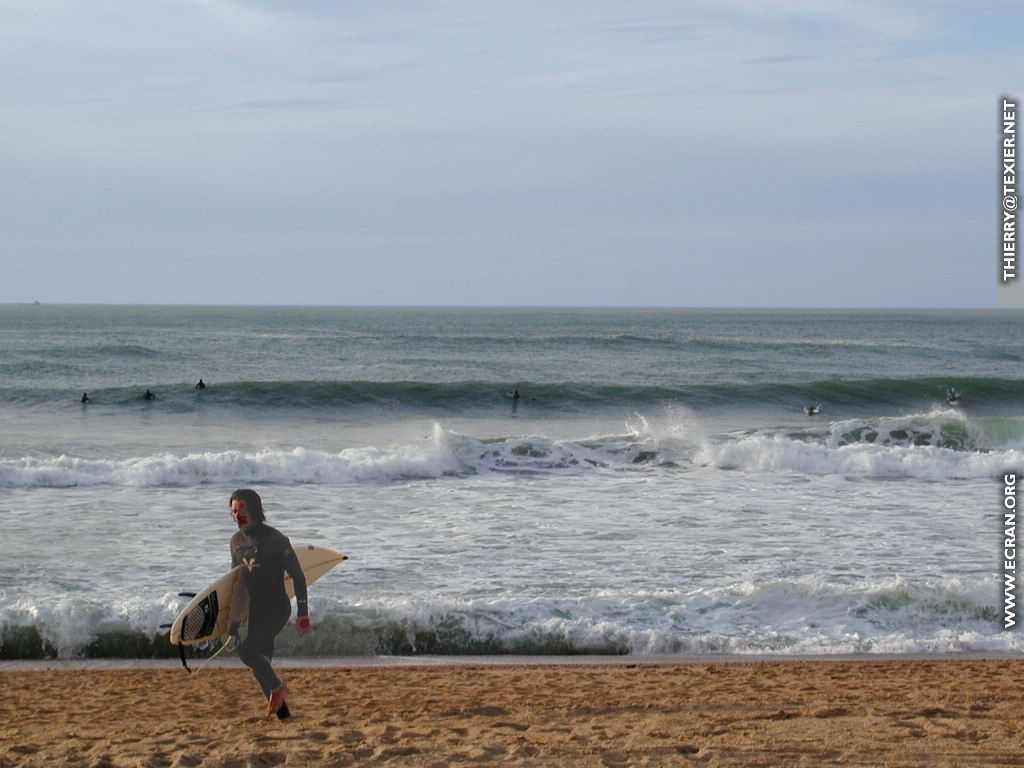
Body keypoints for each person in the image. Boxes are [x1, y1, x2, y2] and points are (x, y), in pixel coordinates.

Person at [228, 489, 310, 720]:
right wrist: (233, 620)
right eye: (234, 510)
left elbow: (298, 576)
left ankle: (277, 687)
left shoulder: (275, 540)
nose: (238, 515)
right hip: (256, 610)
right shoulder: (235, 541)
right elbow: (236, 583)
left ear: (254, 509)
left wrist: (303, 614)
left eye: (242, 509)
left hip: (277, 608)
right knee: (260, 665)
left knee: (246, 651)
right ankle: (283, 716)